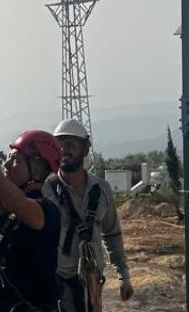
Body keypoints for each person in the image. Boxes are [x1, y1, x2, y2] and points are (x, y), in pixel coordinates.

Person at [0, 132, 65, 312]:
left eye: (15, 160)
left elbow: (18, 203)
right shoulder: (2, 207)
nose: (6, 164)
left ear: (38, 169)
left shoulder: (46, 211)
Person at [46, 119, 134, 312]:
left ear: (85, 149)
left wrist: (123, 276)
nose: (64, 150)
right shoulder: (47, 188)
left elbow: (112, 234)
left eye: (71, 145)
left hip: (91, 281)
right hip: (57, 280)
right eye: (59, 145)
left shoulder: (101, 190)